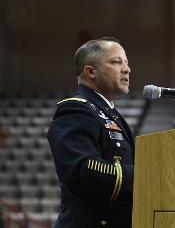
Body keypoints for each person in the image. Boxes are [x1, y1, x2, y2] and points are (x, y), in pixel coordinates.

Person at [47, 37, 134, 228]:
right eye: (116, 62)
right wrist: (145, 178)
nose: (127, 69)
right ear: (90, 71)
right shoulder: (75, 109)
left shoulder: (110, 114)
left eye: (126, 63)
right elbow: (83, 170)